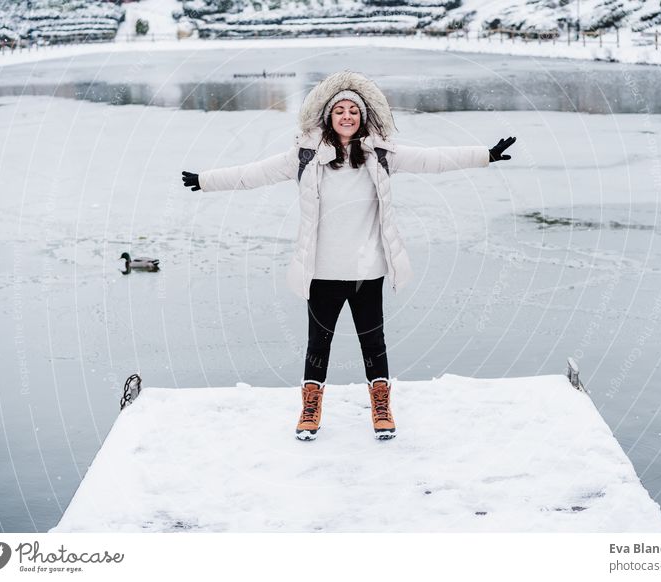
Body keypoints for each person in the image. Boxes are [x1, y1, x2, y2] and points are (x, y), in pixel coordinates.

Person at [181, 70, 516, 442]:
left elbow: (433, 160)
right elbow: (252, 174)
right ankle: (310, 409)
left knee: (373, 343)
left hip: (366, 270)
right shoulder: (305, 156)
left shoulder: (381, 155)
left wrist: (485, 155)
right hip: (322, 270)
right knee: (317, 344)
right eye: (339, 110)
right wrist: (206, 180)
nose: (346, 117)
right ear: (328, 117)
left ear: (362, 118)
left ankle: (381, 407)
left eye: (352, 112)